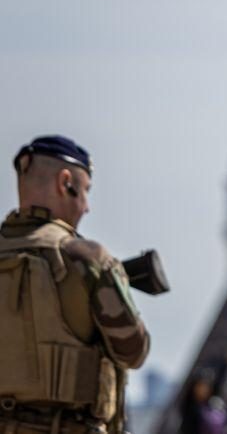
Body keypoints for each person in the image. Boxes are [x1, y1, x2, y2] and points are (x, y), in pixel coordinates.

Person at [0, 135, 150, 434]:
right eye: (85, 191)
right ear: (65, 182)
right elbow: (134, 351)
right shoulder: (85, 259)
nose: (87, 207)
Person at [179, 343, 227, 434]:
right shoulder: (190, 409)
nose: (203, 389)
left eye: (206, 386)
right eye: (200, 386)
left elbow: (220, 380)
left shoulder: (209, 405)